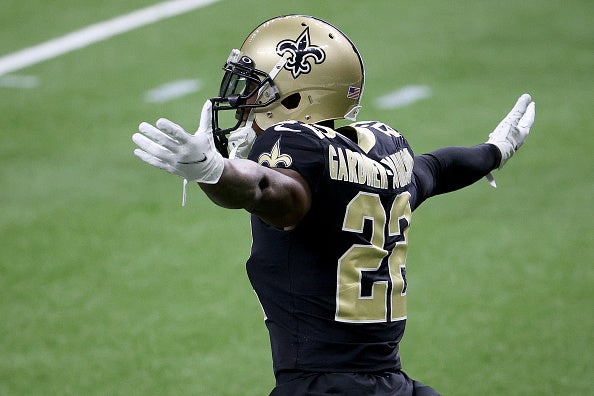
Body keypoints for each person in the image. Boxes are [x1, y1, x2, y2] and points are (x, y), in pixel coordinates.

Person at [132, 14, 535, 396]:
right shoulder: (384, 153)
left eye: (254, 90)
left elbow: (267, 189)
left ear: (294, 99)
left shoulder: (291, 146)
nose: (241, 104)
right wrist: (495, 150)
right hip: (391, 385)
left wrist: (212, 172)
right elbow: (436, 169)